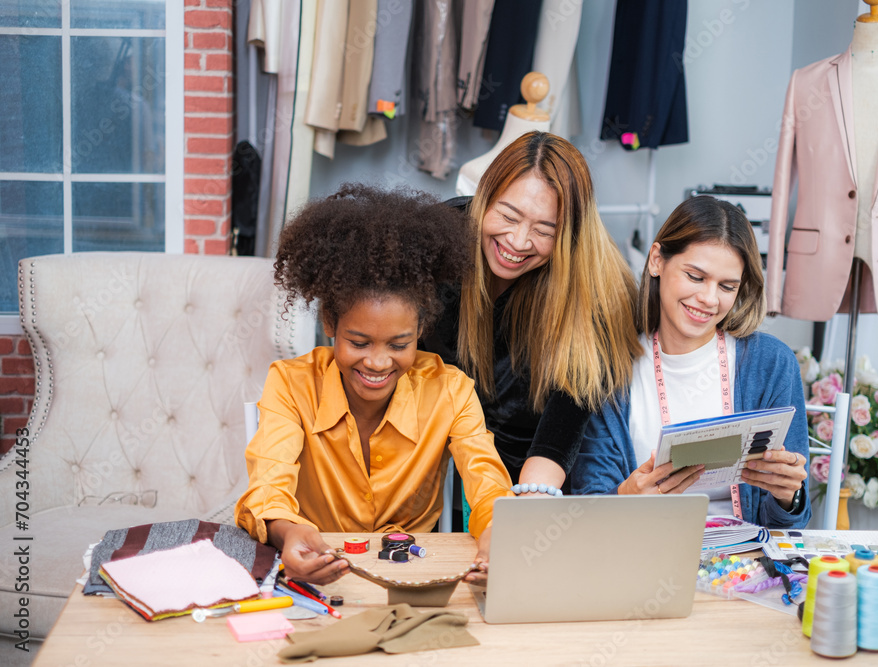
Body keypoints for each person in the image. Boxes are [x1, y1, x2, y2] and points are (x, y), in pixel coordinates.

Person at [235, 184, 512, 584]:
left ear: (421, 329)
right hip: (320, 576)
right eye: (358, 342)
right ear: (330, 323)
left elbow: (489, 486)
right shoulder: (291, 383)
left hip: (416, 577)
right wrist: (288, 531)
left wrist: (493, 536)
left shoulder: (451, 390)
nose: (378, 363)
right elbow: (268, 488)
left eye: (399, 345)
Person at [570, 196, 811, 529]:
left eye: (727, 286)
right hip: (641, 548)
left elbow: (788, 524)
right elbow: (587, 508)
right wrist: (624, 499)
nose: (709, 299)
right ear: (657, 260)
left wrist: (789, 496)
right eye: (696, 277)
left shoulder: (771, 364)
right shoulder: (611, 367)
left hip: (741, 565)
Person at [422, 131, 642, 492]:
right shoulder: (438, 239)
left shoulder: (599, 292)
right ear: (484, 197)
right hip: (435, 466)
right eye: (509, 216)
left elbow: (564, 422)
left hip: (537, 474)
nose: (519, 242)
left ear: (569, 235)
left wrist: (529, 502)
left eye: (544, 230)